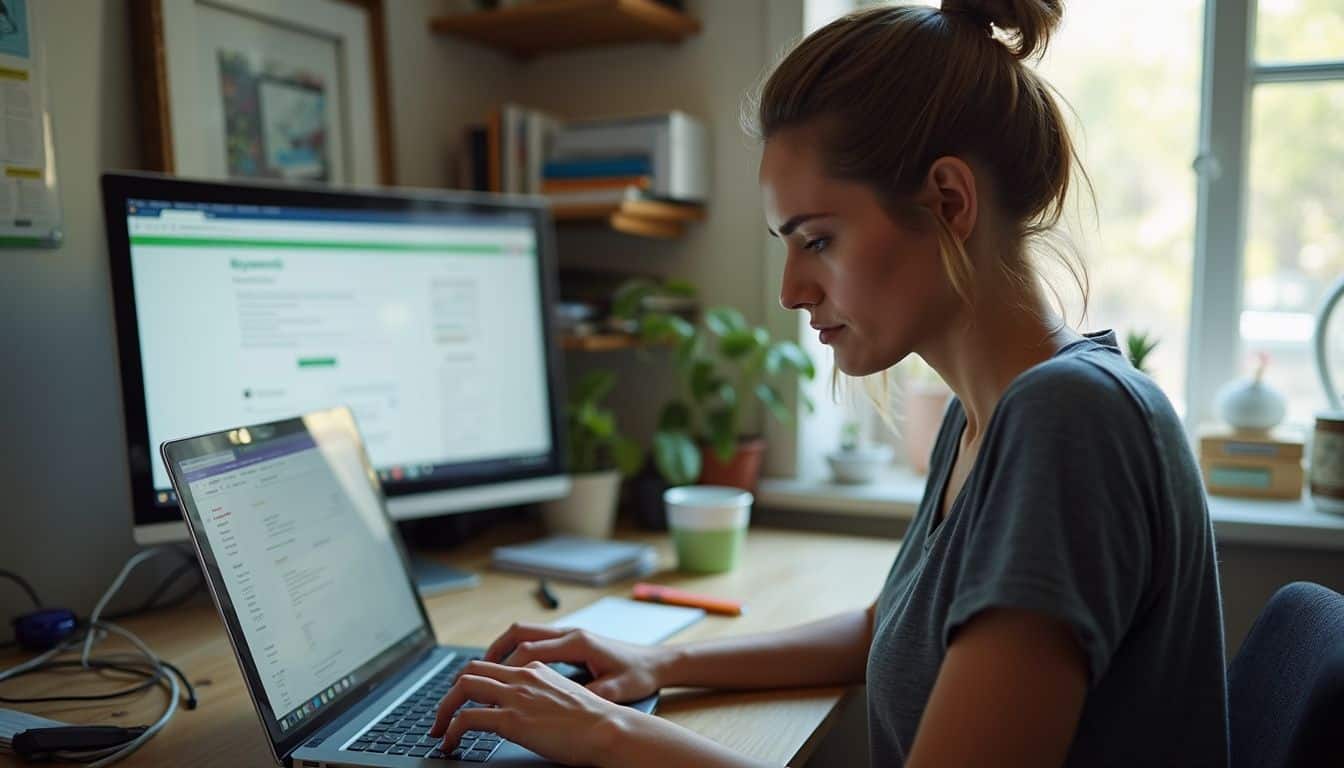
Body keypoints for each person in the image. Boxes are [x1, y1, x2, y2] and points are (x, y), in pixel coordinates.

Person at [429, 1, 1230, 765]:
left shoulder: (1069, 421)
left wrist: (606, 735)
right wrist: (658, 662)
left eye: (816, 240)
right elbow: (888, 628)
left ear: (949, 202)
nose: (790, 290)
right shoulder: (984, 415)